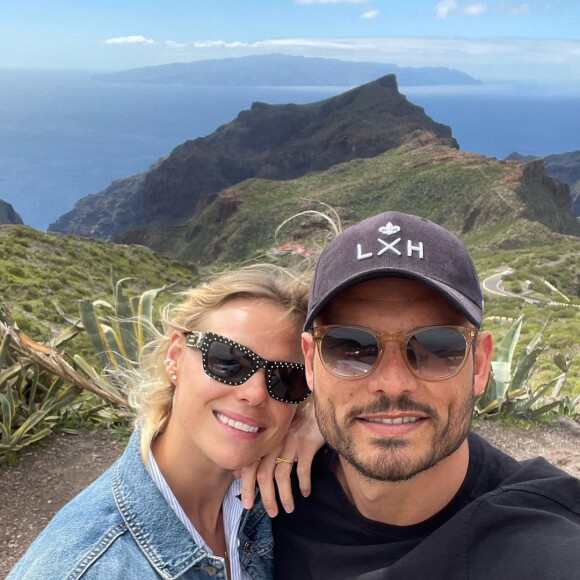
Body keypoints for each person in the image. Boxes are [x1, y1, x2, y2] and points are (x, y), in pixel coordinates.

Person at [272, 210, 580, 579]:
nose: (392, 382)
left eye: (437, 347)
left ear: (480, 365)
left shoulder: (539, 529)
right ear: (310, 362)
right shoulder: (263, 502)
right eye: (351, 348)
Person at [9, 264, 312, 580]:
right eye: (228, 361)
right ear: (176, 355)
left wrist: (318, 425)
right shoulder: (90, 568)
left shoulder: (276, 492)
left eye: (287, 378)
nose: (256, 394)